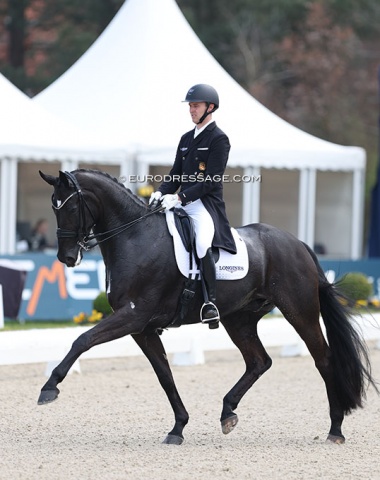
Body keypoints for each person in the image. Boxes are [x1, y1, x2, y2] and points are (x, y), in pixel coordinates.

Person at [149, 84, 236, 327]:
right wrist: (160, 192)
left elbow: (211, 180)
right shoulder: (186, 139)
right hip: (182, 202)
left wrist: (180, 198)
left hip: (205, 205)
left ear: (210, 107)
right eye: (190, 106)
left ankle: (210, 303)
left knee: (201, 243)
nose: (191, 110)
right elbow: (176, 173)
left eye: (195, 105)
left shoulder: (219, 139)